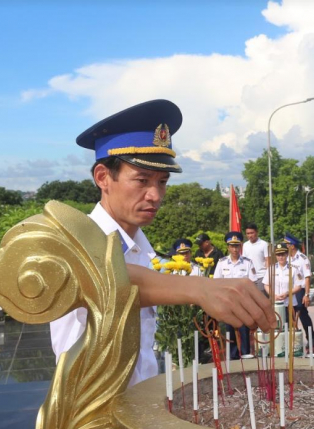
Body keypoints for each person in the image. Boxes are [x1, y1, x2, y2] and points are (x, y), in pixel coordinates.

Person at [49, 99, 274, 397]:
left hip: (138, 406)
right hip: (93, 421)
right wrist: (200, 289)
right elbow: (107, 279)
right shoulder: (75, 243)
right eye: (141, 180)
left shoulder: (142, 249)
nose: (155, 195)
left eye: (162, 181)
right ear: (103, 177)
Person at [213, 231, 257, 359]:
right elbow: (217, 283)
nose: (234, 249)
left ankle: (245, 354)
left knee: (244, 330)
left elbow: (252, 283)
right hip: (227, 303)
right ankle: (232, 357)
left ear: (240, 247)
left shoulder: (247, 263)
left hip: (242, 302)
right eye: (232, 246)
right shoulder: (222, 263)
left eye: (237, 246)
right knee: (229, 331)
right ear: (228, 247)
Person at [263, 242, 305, 338]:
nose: (281, 257)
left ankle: (290, 350)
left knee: (290, 330)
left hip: (289, 304)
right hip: (275, 305)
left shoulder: (293, 269)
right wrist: (273, 295)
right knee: (276, 330)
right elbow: (266, 284)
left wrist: (288, 293)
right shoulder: (271, 269)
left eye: (283, 254)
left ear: (287, 254)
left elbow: (299, 286)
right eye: (278, 255)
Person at [285, 233, 314, 357]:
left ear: (292, 246)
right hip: (288, 291)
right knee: (289, 317)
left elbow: (307, 278)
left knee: (302, 315)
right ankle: (292, 341)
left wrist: (307, 294)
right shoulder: (285, 258)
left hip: (300, 291)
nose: (285, 246)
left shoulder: (302, 259)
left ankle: (311, 340)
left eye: (287, 244)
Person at [242, 223, 270, 294]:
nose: (250, 235)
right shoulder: (245, 245)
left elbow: (267, 260)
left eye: (252, 233)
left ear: (257, 232)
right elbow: (244, 261)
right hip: (249, 278)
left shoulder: (264, 244)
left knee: (262, 298)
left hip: (261, 276)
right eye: (248, 233)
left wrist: (267, 276)